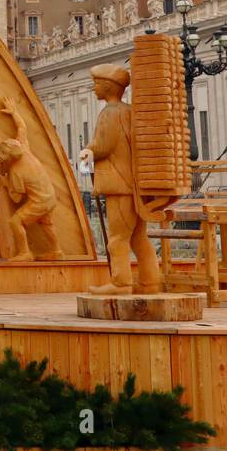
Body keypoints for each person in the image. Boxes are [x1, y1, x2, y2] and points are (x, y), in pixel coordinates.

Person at [78, 64, 160, 295]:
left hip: (119, 185)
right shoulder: (129, 111)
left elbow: (103, 146)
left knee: (116, 239)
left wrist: (86, 151)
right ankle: (150, 282)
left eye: (96, 84)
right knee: (138, 238)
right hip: (133, 185)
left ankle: (121, 283)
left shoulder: (110, 113)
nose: (94, 88)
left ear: (107, 86)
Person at [0, 96, 60, 262]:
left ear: (7, 158)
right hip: (50, 196)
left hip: (39, 201)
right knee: (47, 223)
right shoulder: (23, 148)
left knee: (15, 221)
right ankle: (57, 251)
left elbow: (16, 197)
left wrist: (4, 179)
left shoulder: (15, 172)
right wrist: (14, 112)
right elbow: (22, 127)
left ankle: (25, 253)